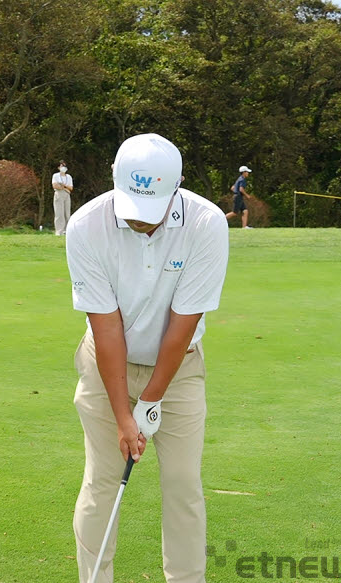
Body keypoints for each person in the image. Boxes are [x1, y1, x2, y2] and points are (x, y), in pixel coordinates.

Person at [65, 133, 229, 583]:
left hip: (179, 370)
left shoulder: (206, 223)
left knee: (182, 485)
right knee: (102, 483)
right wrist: (124, 415)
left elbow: (182, 322)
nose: (144, 223)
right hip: (106, 368)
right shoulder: (86, 226)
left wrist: (152, 398)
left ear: (176, 188)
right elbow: (107, 327)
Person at [52, 160, 74, 235]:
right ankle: (59, 231)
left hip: (67, 194)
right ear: (58, 167)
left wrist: (63, 186)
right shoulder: (55, 175)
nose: (63, 167)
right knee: (59, 213)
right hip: (59, 194)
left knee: (67, 213)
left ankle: (66, 230)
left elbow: (71, 188)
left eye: (64, 166)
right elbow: (55, 186)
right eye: (62, 166)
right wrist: (64, 187)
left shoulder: (69, 177)